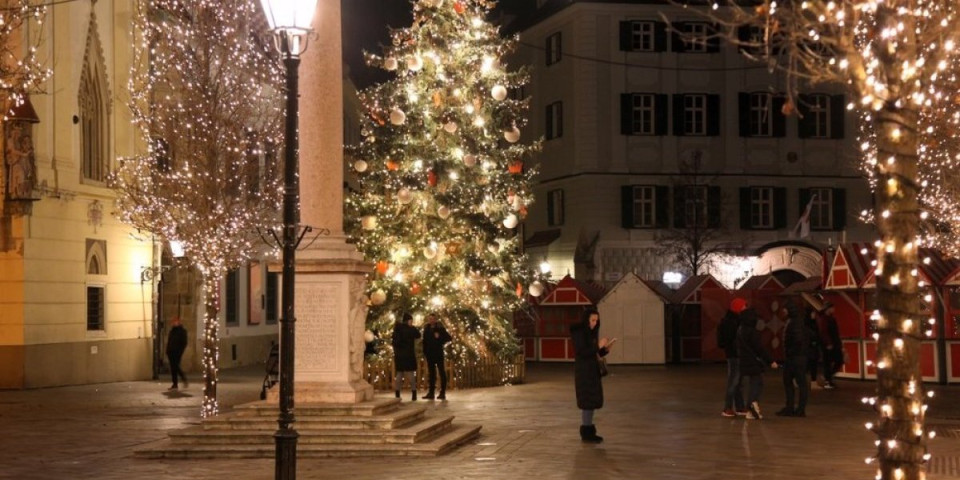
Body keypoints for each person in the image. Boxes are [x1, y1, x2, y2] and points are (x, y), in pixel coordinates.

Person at [570, 307, 616, 443]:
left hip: (592, 371)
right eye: (593, 320)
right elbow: (582, 352)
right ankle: (586, 433)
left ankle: (589, 431)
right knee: (587, 402)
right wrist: (598, 346)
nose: (595, 323)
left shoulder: (591, 333)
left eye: (597, 320)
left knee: (591, 402)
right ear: (586, 320)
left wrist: (605, 350)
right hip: (584, 372)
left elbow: (593, 354)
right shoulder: (579, 333)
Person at [736, 303, 777, 420]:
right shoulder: (752, 332)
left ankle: (751, 408)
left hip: (744, 360)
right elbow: (760, 348)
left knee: (754, 383)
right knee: (757, 383)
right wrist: (770, 361)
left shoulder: (740, 330)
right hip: (753, 361)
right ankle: (752, 405)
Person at [777, 301, 810, 417]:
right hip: (797, 357)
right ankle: (795, 408)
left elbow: (797, 340)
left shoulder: (794, 322)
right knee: (796, 383)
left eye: (785, 309)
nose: (783, 311)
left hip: (795, 357)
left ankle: (795, 408)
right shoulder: (796, 321)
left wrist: (790, 353)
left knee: (795, 383)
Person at [717, 298, 747, 417]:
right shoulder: (734, 322)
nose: (745, 308)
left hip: (732, 354)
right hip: (735, 354)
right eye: (744, 306)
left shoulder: (728, 320)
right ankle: (727, 407)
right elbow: (734, 339)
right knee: (734, 381)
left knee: (737, 381)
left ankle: (739, 407)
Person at [422, 313, 451, 400]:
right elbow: (424, 341)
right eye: (430, 319)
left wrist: (439, 337)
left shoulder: (440, 328)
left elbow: (448, 338)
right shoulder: (426, 328)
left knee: (441, 372)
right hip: (429, 354)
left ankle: (442, 392)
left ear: (436, 320)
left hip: (438, 354)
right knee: (431, 374)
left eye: (433, 319)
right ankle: (431, 393)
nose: (431, 320)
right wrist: (425, 352)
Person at [392, 313, 421, 401]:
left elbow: (394, 342)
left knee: (399, 374)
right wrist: (413, 327)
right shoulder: (410, 329)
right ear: (408, 321)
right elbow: (418, 335)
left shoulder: (397, 329)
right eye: (411, 321)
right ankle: (414, 393)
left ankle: (397, 393)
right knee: (410, 374)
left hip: (399, 355)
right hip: (408, 355)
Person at [819, 302, 843, 389]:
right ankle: (828, 380)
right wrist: (828, 343)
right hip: (829, 344)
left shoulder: (829, 318)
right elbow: (824, 332)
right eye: (832, 308)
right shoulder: (825, 319)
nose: (834, 310)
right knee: (830, 362)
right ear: (828, 309)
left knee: (836, 360)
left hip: (833, 343)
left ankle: (828, 377)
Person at [165, 317, 189, 390]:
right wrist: (167, 350)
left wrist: (180, 351)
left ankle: (183, 378)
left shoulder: (182, 331)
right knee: (173, 368)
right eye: (173, 322)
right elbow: (169, 341)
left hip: (177, 352)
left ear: (179, 322)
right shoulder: (172, 331)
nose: (174, 323)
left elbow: (184, 342)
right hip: (171, 352)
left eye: (175, 322)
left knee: (176, 366)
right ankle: (175, 384)